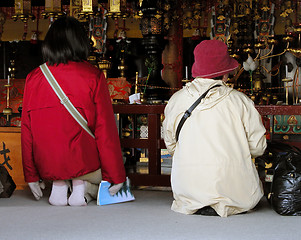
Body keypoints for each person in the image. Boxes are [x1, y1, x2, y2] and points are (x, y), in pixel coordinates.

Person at [21, 16, 126, 206]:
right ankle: (80, 188)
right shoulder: (93, 75)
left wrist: (31, 175)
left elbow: (27, 131)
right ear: (81, 41)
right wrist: (116, 174)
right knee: (87, 137)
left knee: (51, 140)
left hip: (48, 162)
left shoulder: (33, 78)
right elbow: (105, 130)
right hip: (82, 160)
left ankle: (58, 187)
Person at [163, 39, 267, 217]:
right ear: (225, 73)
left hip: (189, 192)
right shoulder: (240, 101)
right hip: (235, 193)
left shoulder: (176, 100)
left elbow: (171, 145)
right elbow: (258, 147)